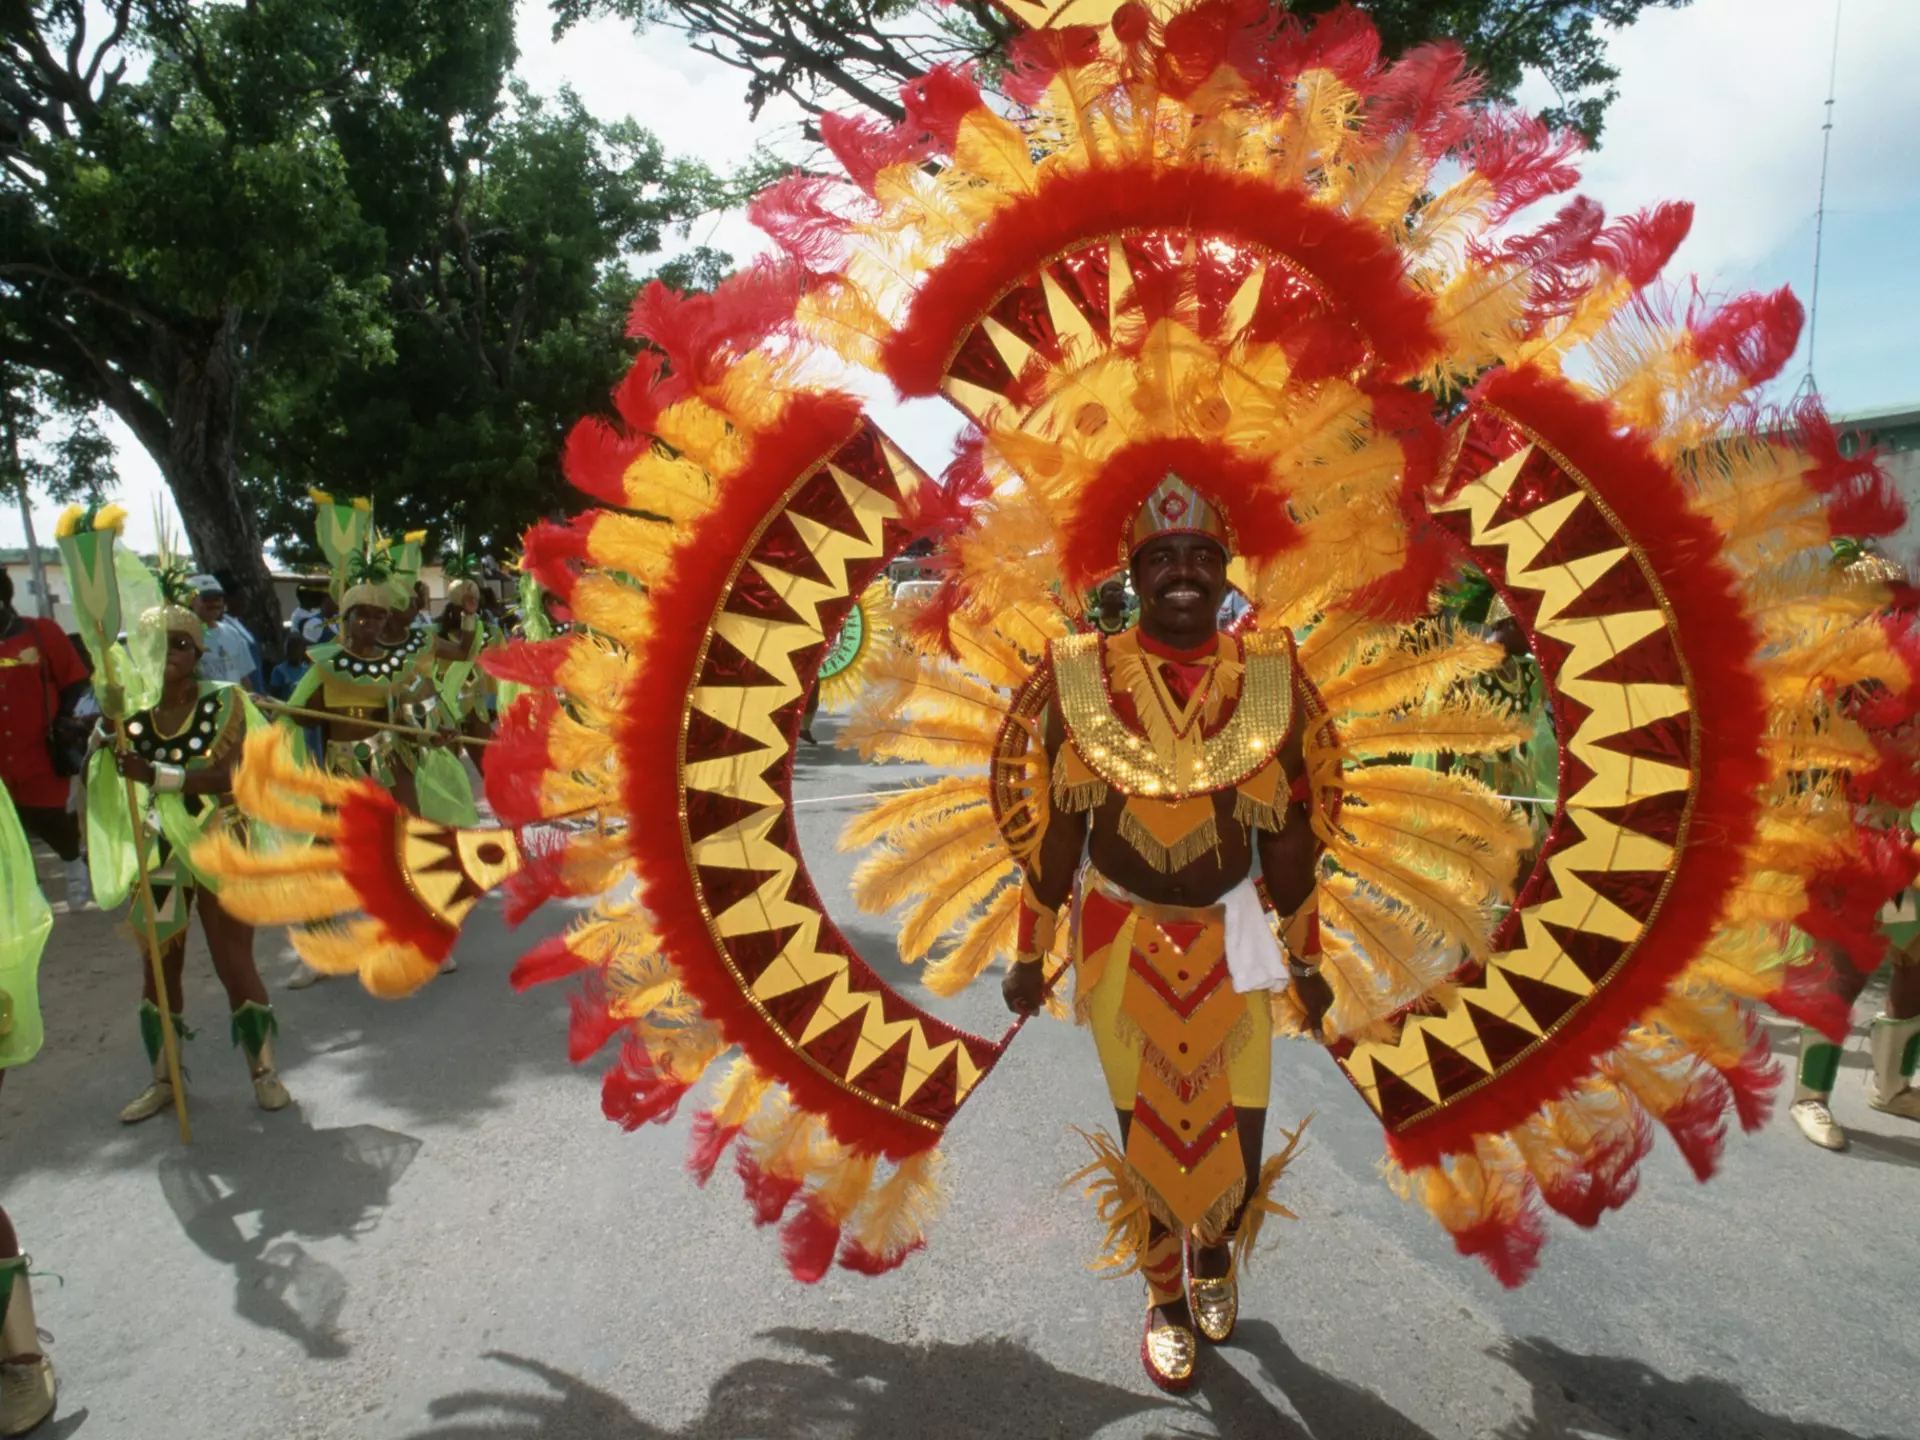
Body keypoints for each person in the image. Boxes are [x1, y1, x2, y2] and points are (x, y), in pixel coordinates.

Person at [1001, 479, 1327, 1389]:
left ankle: (1215, 1252)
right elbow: (1058, 830)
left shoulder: (1272, 676)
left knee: (1240, 1140)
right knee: (1148, 1133)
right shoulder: (1079, 679)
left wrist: (1308, 958)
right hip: (1118, 934)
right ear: (1134, 574)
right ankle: (1166, 1299)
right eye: (1161, 558)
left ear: (1225, 573)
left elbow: (1292, 835)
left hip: (1236, 932)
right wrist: (1030, 954)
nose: (1182, 573)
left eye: (1201, 558)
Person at [104, 584, 290, 1123]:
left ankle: (264, 1073)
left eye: (179, 645)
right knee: (158, 966)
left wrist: (157, 774)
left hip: (216, 844)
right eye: (156, 646)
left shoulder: (224, 701)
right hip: (161, 855)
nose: (168, 656)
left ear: (197, 651)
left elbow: (226, 776)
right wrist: (102, 733)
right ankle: (164, 1080)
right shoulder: (132, 713)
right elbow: (105, 768)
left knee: (234, 961)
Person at [0, 570, 90, 906]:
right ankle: (29, 890)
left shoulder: (42, 633)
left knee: (50, 818)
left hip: (39, 748)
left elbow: (74, 681)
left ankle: (73, 865)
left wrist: (64, 721)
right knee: (8, 828)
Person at [189, 574, 264, 691]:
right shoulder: (185, 635)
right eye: (206, 599)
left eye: (217, 599)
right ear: (191, 601)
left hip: (234, 705)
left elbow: (244, 677)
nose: (213, 604)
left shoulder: (232, 633)